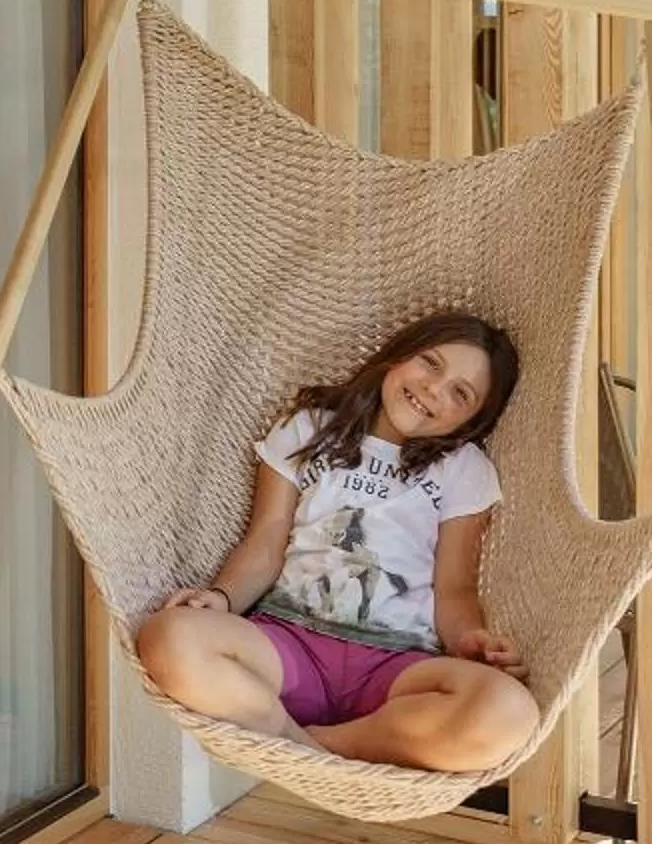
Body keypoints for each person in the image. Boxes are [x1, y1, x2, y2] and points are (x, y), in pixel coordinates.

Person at [135, 311, 540, 772]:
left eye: (460, 394)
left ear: (469, 423)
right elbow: (266, 540)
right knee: (167, 636)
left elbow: (455, 587)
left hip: (396, 669)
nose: (434, 388)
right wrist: (222, 599)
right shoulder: (309, 428)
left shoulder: (464, 469)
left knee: (510, 713)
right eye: (431, 363)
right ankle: (295, 741)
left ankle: (325, 743)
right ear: (397, 357)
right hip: (287, 646)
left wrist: (471, 641)